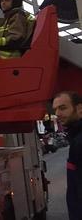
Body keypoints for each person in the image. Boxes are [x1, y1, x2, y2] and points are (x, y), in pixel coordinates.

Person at [52, 91, 82, 220]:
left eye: (63, 108)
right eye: (56, 109)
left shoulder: (80, 141)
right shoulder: (76, 138)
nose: (57, 114)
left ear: (79, 108)